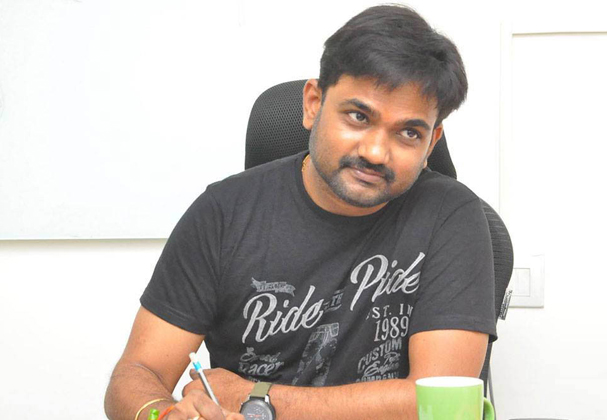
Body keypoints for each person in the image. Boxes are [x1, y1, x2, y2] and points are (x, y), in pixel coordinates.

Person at [105, 5, 496, 420]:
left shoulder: (452, 216)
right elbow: (138, 372)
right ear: (313, 103)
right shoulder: (222, 213)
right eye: (358, 116)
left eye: (409, 133)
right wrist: (164, 416)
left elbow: (442, 403)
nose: (375, 152)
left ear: (431, 142)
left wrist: (255, 397)